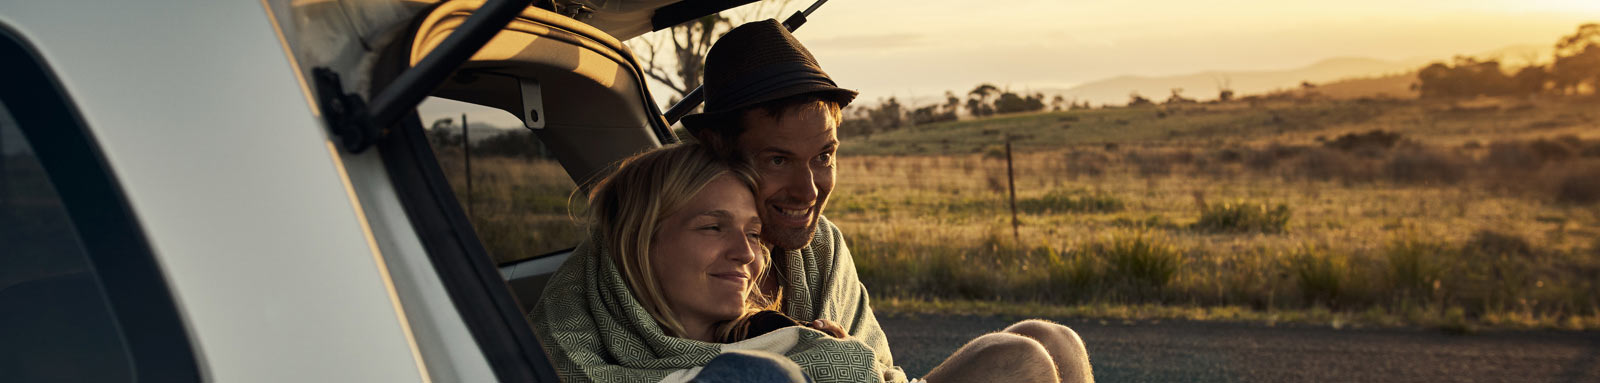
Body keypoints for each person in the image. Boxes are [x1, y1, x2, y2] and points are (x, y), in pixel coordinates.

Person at [680, 19, 1094, 383]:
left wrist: (843, 358)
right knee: (1021, 360)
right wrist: (815, 357)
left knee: (1056, 338)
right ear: (717, 145)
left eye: (824, 156)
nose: (808, 190)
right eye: (777, 159)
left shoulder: (822, 247)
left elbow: (876, 370)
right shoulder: (679, 240)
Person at [530, 143, 883, 383]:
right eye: (713, 227)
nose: (745, 254)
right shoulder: (558, 357)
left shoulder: (790, 339)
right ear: (640, 240)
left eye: (754, 234)